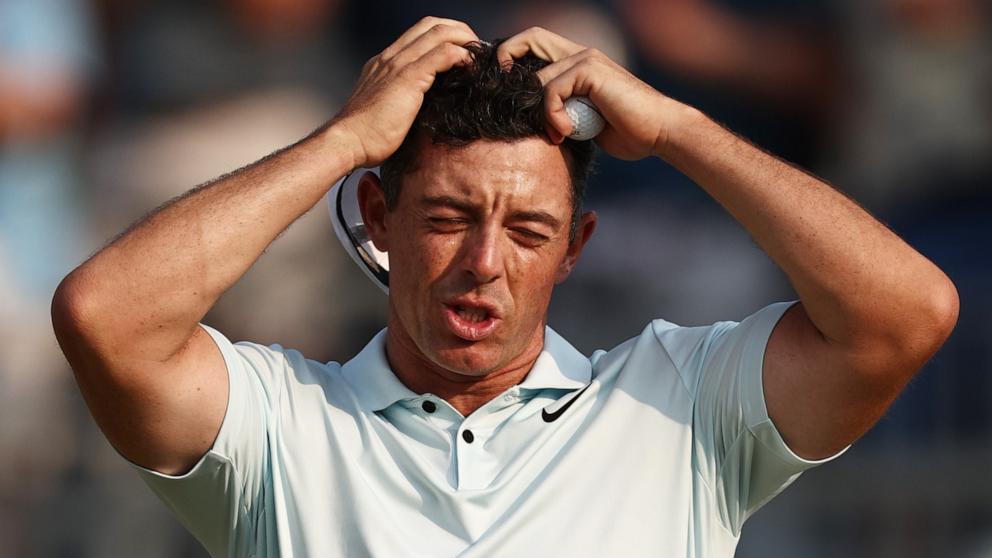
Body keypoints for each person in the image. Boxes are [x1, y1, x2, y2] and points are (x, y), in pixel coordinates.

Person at [52, 18, 958, 557]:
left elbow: (904, 313)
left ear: (575, 248)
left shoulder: (681, 405)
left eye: (529, 232)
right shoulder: (279, 425)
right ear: (377, 215)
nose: (485, 261)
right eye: (448, 218)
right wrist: (342, 139)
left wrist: (678, 127)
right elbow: (106, 318)